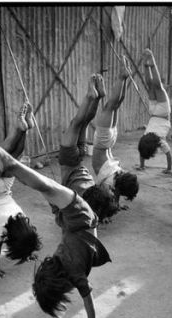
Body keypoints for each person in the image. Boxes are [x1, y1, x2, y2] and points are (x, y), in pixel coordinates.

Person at [0, 141, 111, 318]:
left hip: (78, 219)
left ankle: (11, 164)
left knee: (45, 187)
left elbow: (88, 298)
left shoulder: (74, 273)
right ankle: (12, 165)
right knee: (45, 188)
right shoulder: (65, 266)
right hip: (77, 221)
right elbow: (86, 295)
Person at [0, 102, 42, 279]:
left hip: (5, 190)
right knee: (0, 160)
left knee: (14, 156)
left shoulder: (23, 218)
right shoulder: (3, 229)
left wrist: (28, 251)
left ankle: (24, 129)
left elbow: (27, 236)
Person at [58, 74, 118, 222]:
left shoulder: (95, 188)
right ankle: (90, 96)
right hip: (69, 161)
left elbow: (104, 196)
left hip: (81, 157)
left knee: (84, 122)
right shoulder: (80, 199)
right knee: (76, 123)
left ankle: (97, 97)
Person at [92, 56, 139, 210]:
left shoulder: (119, 175)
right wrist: (115, 206)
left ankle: (124, 78)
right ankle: (122, 77)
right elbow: (105, 198)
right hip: (103, 145)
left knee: (115, 105)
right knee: (111, 106)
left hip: (111, 143)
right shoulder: (109, 184)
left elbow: (116, 193)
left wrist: (116, 205)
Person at [137, 48, 172, 174]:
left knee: (153, 86)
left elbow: (143, 151)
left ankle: (150, 63)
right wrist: (168, 169)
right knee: (155, 86)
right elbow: (168, 155)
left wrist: (142, 166)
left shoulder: (156, 141)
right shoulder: (153, 139)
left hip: (156, 113)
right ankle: (147, 64)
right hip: (160, 113)